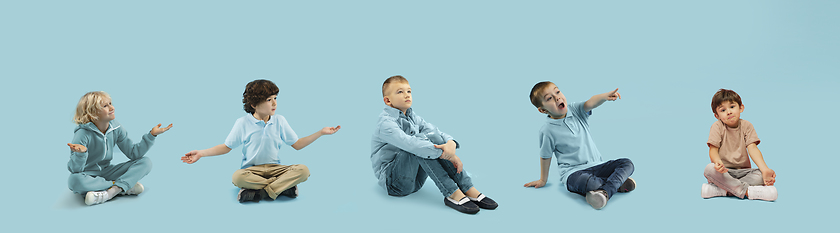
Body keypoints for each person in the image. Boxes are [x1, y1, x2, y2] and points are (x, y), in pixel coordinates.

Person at [181, 79, 340, 202]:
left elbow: (297, 144)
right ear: (254, 104)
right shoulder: (242, 123)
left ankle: (261, 192)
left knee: (304, 170)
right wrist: (201, 153)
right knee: (237, 177)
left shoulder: (280, 121)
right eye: (269, 99)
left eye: (275, 98)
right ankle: (283, 188)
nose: (275, 103)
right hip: (252, 171)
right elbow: (226, 147)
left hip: (276, 169)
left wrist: (320, 133)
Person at [370, 75, 498, 214]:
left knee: (432, 137)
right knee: (418, 143)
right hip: (396, 184)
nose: (407, 95)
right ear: (387, 100)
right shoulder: (385, 123)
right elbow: (412, 145)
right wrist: (450, 157)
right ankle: (452, 193)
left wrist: (451, 143)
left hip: (416, 181)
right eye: (400, 92)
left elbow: (437, 133)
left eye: (409, 91)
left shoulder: (412, 116)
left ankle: (467, 188)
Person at [524, 81, 635, 210]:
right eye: (549, 98)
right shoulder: (547, 131)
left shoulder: (575, 110)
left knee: (627, 163)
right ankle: (615, 184)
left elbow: (591, 102)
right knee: (590, 183)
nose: (557, 97)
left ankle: (604, 191)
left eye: (558, 92)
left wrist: (604, 97)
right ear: (542, 110)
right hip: (573, 173)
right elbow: (545, 156)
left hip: (598, 165)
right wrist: (543, 180)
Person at [67, 91, 172, 205]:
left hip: (108, 172)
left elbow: (133, 153)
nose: (112, 107)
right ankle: (123, 186)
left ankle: (110, 192)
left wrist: (151, 135)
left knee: (146, 162)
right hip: (88, 175)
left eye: (110, 103)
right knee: (74, 181)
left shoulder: (115, 127)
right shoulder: (82, 134)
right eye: (105, 106)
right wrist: (80, 154)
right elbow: (75, 170)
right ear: (93, 113)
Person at [702, 89, 777, 201]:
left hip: (744, 172)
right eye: (723, 110)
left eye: (732, 107)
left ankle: (722, 190)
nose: (729, 112)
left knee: (760, 174)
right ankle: (748, 191)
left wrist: (765, 169)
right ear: (716, 115)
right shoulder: (717, 127)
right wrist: (718, 163)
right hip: (724, 172)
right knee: (709, 169)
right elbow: (713, 150)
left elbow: (753, 148)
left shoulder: (747, 125)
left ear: (741, 108)